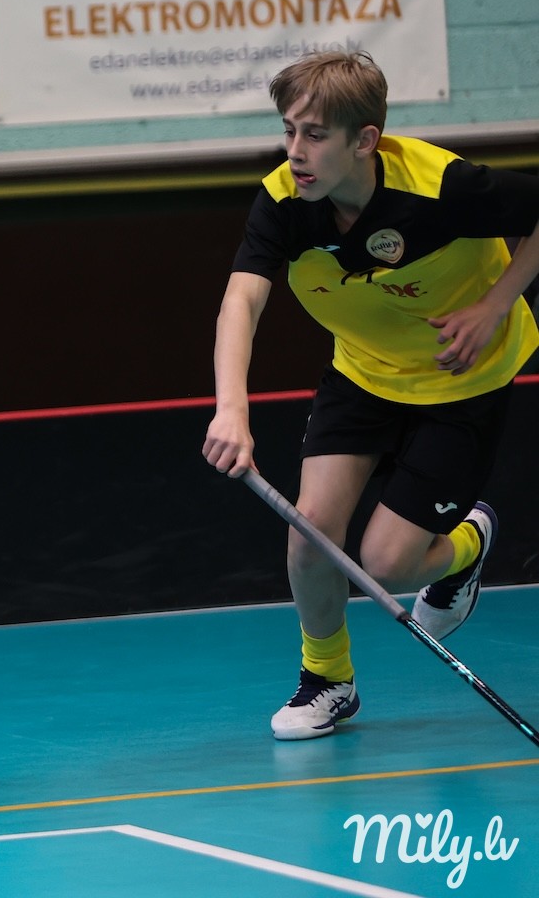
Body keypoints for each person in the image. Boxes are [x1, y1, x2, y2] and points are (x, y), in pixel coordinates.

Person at [203, 50, 539, 741]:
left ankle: (467, 544)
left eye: (314, 135)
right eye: (289, 131)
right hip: (363, 375)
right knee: (311, 533)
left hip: (460, 381)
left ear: (366, 140)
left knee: (388, 564)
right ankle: (327, 679)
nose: (295, 151)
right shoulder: (284, 202)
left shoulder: (442, 188)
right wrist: (231, 408)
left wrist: (497, 304)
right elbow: (242, 299)